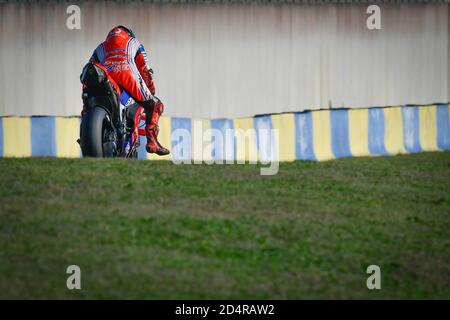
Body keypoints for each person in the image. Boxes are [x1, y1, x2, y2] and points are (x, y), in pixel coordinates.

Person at [85, 25, 169, 155]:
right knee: (156, 105)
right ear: (129, 34)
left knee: (88, 92)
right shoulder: (133, 42)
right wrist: (151, 90)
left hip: (106, 78)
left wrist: (86, 111)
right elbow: (144, 69)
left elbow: (90, 69)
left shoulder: (100, 47)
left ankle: (85, 129)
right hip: (127, 75)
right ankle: (152, 142)